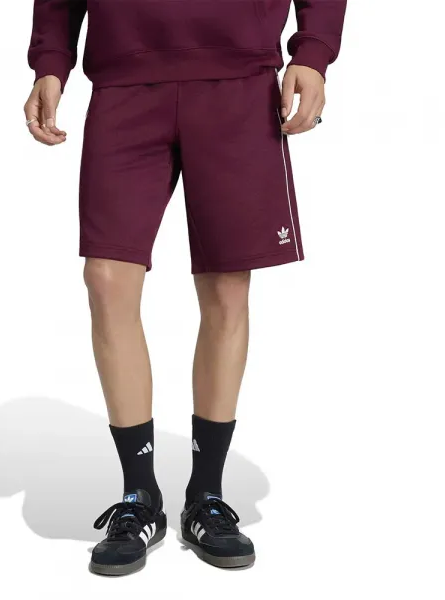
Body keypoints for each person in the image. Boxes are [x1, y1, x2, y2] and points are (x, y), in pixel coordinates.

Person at [25, 0, 346, 576]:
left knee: (226, 289)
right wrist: (52, 59)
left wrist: (315, 50)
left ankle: (207, 495)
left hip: (238, 78)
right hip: (124, 77)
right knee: (106, 279)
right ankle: (139, 495)